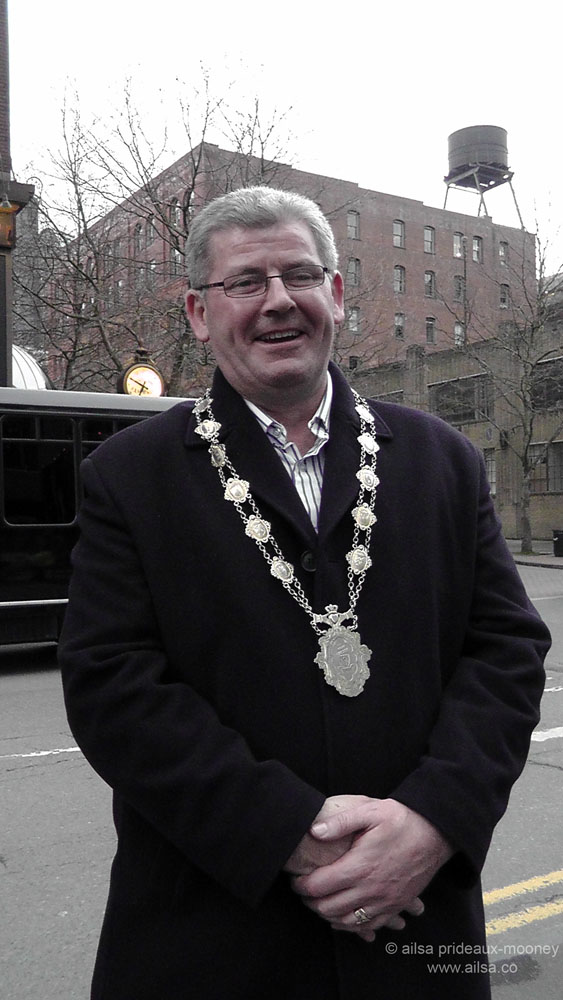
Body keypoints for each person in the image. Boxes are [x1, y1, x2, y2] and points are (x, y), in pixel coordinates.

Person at [59, 186, 550, 1000]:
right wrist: (290, 834)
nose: (278, 300)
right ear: (198, 312)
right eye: (245, 282)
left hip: (414, 928)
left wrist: (432, 821)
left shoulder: (443, 460)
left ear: (337, 294)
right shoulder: (129, 476)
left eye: (299, 274)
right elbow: (113, 686)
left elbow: (505, 653)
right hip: (212, 939)